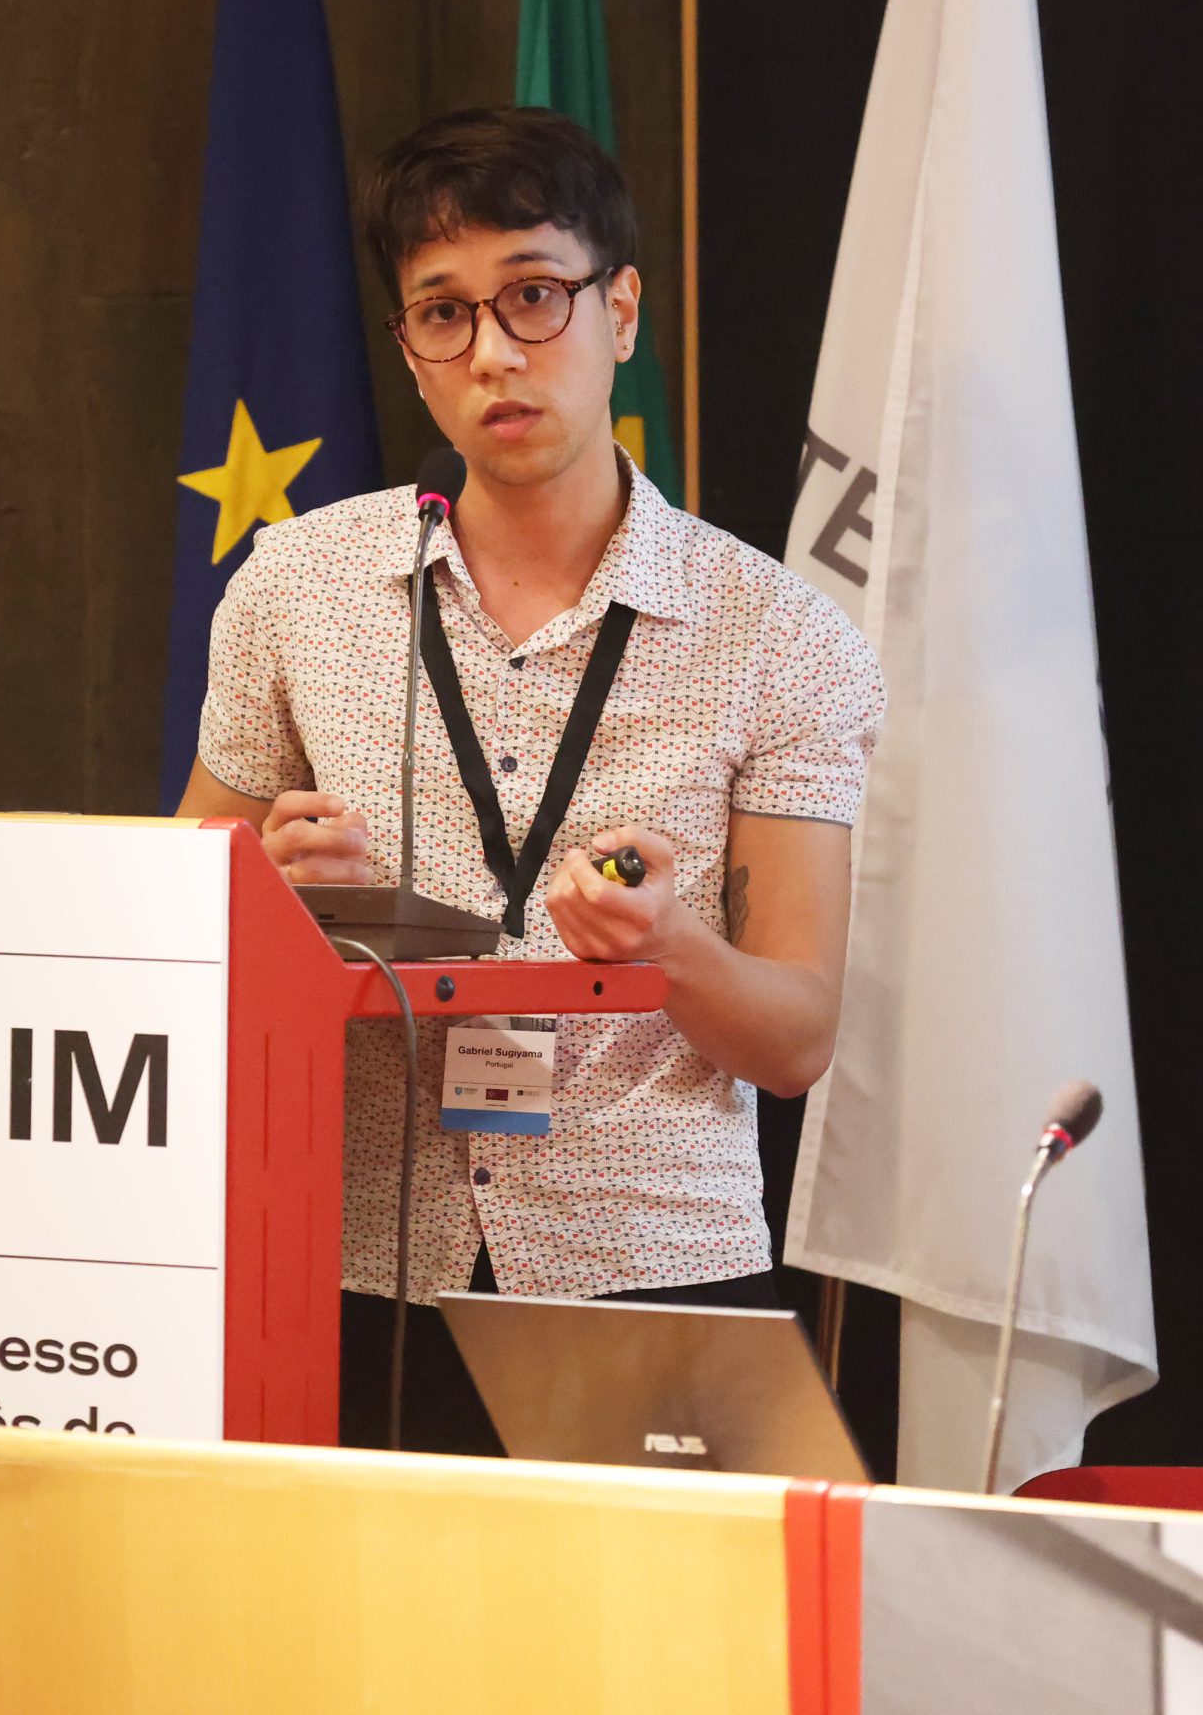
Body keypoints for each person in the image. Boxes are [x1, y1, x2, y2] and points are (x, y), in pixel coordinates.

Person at [174, 106, 886, 1453]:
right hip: (355, 1266)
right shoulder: (297, 587)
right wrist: (269, 898)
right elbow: (175, 943)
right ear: (409, 353)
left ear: (621, 311)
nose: (494, 352)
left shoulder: (780, 636)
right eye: (444, 314)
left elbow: (796, 1040)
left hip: (649, 1266)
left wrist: (668, 946)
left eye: (535, 296)